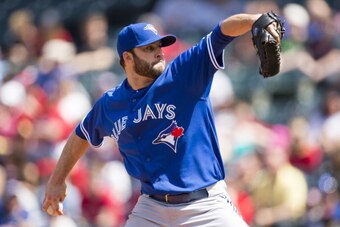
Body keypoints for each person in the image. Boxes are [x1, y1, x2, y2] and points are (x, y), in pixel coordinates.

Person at [42, 12, 282, 226]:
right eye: (148, 48)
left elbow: (221, 32)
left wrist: (254, 20)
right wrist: (57, 180)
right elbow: (82, 134)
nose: (158, 51)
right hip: (151, 208)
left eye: (159, 45)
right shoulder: (111, 103)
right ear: (127, 58)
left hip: (205, 205)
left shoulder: (183, 75)